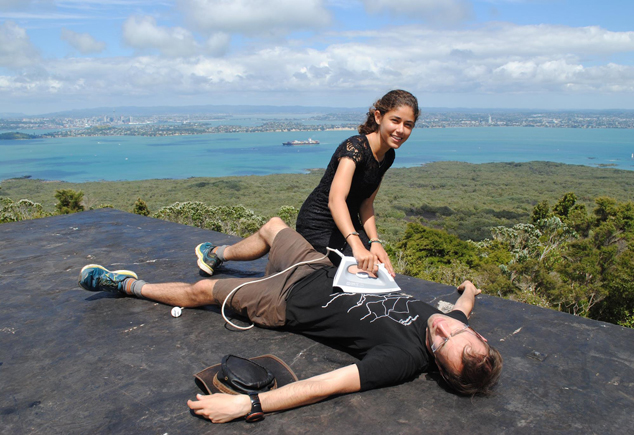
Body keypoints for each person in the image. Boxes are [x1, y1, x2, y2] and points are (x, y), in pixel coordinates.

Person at [79, 217, 502, 424]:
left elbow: (325, 385)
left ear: (436, 361)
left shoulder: (402, 359)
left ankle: (125, 285)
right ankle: (217, 253)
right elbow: (460, 310)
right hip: (322, 267)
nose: (443, 329)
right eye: (457, 332)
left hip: (284, 299)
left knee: (202, 293)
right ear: (473, 334)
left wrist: (246, 404)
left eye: (442, 342)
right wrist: (469, 290)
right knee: (273, 226)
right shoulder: (450, 324)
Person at [193, 90, 419, 279]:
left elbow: (366, 203)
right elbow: (335, 199)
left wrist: (375, 242)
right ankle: (217, 252)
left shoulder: (387, 156)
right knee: (347, 271)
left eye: (408, 125)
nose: (400, 130)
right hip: (319, 222)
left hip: (347, 225)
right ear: (379, 117)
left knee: (376, 269)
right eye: (395, 120)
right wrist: (358, 245)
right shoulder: (355, 148)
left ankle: (267, 246)